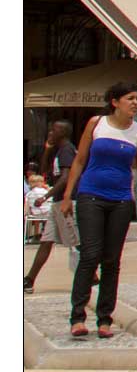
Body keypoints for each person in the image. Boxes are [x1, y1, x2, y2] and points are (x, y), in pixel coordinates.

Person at [60, 82, 137, 339]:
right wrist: (68, 196)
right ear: (115, 102)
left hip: (121, 200)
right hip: (91, 195)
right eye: (130, 98)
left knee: (112, 260)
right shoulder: (96, 123)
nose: (135, 103)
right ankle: (78, 316)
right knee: (90, 255)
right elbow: (80, 160)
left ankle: (105, 318)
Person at [24, 121, 78, 294]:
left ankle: (90, 278)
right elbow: (44, 170)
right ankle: (29, 280)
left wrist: (44, 196)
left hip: (66, 202)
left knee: (75, 244)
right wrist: (47, 149)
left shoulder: (68, 150)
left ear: (63, 132)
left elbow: (65, 178)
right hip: (56, 203)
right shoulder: (59, 151)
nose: (50, 132)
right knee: (46, 241)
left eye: (54, 129)